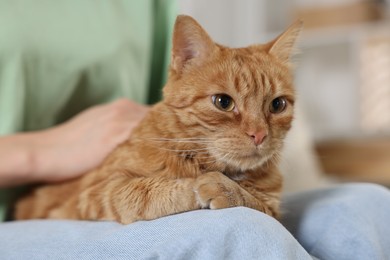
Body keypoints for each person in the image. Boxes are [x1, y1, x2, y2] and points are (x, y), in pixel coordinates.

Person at [1, 1, 390, 259]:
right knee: (241, 234)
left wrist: (245, 195)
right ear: (184, 60)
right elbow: (82, 203)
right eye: (225, 103)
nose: (258, 131)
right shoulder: (153, 147)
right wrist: (35, 151)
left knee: (366, 205)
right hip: (20, 201)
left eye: (276, 106)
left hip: (127, 131)